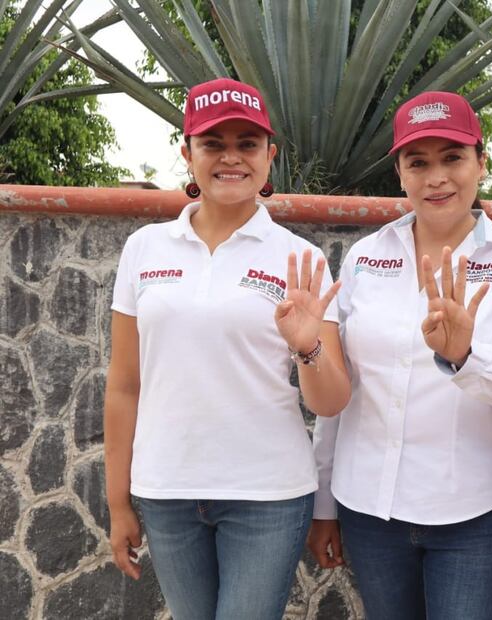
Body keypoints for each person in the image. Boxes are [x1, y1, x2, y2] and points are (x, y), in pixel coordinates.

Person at [103, 77, 350, 620]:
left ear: (270, 157)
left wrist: (308, 348)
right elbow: (124, 385)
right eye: (214, 143)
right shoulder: (143, 249)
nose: (231, 158)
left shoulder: (300, 258)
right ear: (187, 152)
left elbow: (331, 403)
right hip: (165, 490)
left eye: (247, 144)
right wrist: (119, 502)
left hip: (267, 494)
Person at [307, 91, 492, 620]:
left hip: (473, 513)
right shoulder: (367, 256)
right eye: (419, 162)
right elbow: (345, 388)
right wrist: (324, 502)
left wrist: (464, 356)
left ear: (481, 163)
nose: (437, 177)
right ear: (400, 174)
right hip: (369, 507)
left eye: (453, 158)